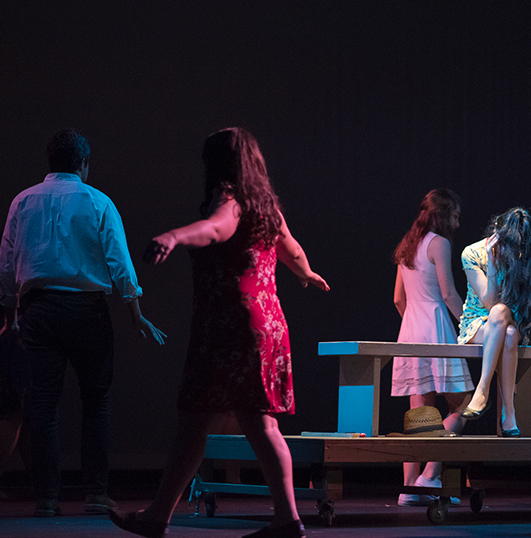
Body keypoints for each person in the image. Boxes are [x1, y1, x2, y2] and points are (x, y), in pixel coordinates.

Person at [109, 127, 329, 538]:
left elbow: (215, 229)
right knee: (242, 424)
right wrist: (306, 274)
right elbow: (293, 250)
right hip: (267, 323)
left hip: (231, 326)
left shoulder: (229, 200)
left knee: (199, 420)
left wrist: (174, 236)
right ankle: (281, 518)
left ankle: (166, 516)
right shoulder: (267, 208)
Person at [0, 129, 166, 518]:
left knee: (43, 405)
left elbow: (7, 264)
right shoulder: (98, 202)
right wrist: (135, 313)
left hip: (38, 311)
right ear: (84, 164)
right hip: (87, 311)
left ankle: (48, 497)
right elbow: (119, 262)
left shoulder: (23, 202)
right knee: (96, 402)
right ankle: (95, 493)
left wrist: (11, 315)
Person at [391, 189, 474, 506]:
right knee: (464, 403)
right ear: (443, 215)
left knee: (419, 414)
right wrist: (470, 327)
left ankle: (409, 488)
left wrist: (414, 323)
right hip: (436, 329)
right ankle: (430, 475)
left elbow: (399, 299)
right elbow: (449, 294)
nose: (457, 221)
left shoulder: (407, 245)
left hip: (411, 332)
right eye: (455, 215)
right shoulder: (440, 244)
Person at [457, 207, 531, 437]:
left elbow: (519, 307)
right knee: (502, 320)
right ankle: (501, 406)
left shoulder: (521, 256)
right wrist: (493, 265)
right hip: (477, 325)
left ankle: (493, 399)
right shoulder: (472, 253)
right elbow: (489, 302)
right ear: (497, 232)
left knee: (510, 330)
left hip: (510, 320)